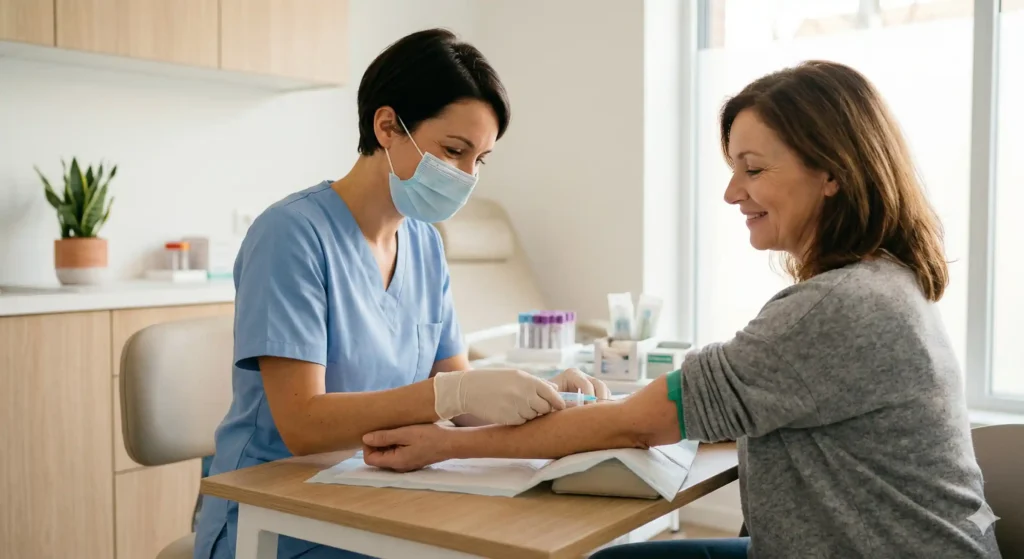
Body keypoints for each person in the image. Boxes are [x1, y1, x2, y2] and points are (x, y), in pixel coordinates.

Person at [361, 60, 1002, 559]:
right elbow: (712, 403)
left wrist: (446, 446)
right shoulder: (884, 284)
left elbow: (637, 425)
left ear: (831, 172)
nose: (731, 191)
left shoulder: (838, 307)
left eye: (751, 168)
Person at [193, 28, 609, 559]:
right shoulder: (291, 235)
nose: (465, 177)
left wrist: (544, 396)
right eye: (453, 151)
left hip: (380, 497)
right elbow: (302, 424)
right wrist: (450, 396)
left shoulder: (423, 244)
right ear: (387, 125)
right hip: (277, 517)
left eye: (479, 160)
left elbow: (458, 390)